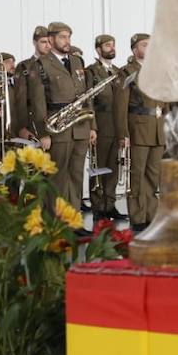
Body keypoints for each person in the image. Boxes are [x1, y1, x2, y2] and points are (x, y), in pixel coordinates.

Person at [29, 21, 96, 222]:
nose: (67, 41)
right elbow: (38, 102)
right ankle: (56, 222)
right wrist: (43, 132)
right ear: (51, 39)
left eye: (68, 37)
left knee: (76, 176)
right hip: (58, 128)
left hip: (80, 126)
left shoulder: (77, 62)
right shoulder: (40, 65)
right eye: (62, 37)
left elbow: (87, 95)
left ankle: (73, 220)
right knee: (58, 178)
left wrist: (92, 126)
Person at [121, 34, 164, 232]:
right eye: (144, 45)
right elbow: (120, 106)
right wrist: (123, 133)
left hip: (157, 129)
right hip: (138, 128)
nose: (149, 48)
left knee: (153, 175)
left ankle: (151, 214)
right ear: (134, 49)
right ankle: (138, 216)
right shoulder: (127, 72)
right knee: (137, 175)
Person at [86, 35, 123, 220]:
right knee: (98, 167)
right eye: (107, 45)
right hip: (101, 122)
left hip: (116, 124)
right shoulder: (91, 71)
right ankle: (98, 206)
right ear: (98, 49)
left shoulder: (118, 72)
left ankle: (110, 204)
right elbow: (89, 101)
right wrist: (92, 126)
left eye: (113, 44)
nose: (112, 48)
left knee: (113, 167)